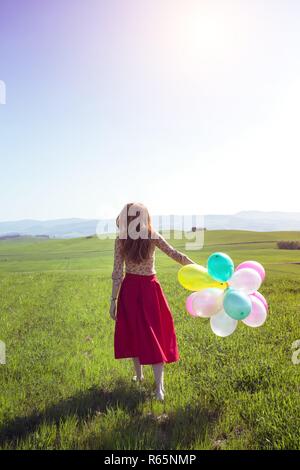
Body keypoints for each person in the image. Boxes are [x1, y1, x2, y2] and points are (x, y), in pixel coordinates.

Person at [110, 202, 195, 400]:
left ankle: (140, 377)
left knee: (134, 333)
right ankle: (158, 388)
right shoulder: (152, 235)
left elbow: (117, 272)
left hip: (130, 290)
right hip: (150, 289)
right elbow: (176, 254)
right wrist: (200, 270)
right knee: (155, 335)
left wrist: (113, 299)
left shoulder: (121, 239)